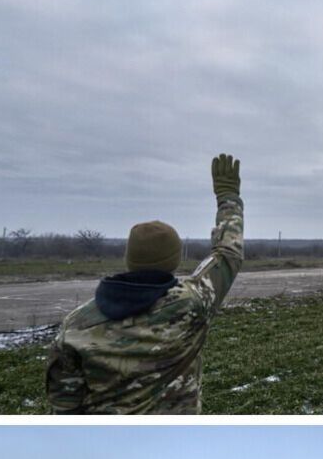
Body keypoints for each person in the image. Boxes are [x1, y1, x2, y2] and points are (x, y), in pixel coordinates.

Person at [45, 154, 244, 414]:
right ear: (173, 261)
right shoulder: (192, 304)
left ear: (129, 259)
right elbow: (228, 254)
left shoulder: (75, 325)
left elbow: (63, 407)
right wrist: (228, 198)